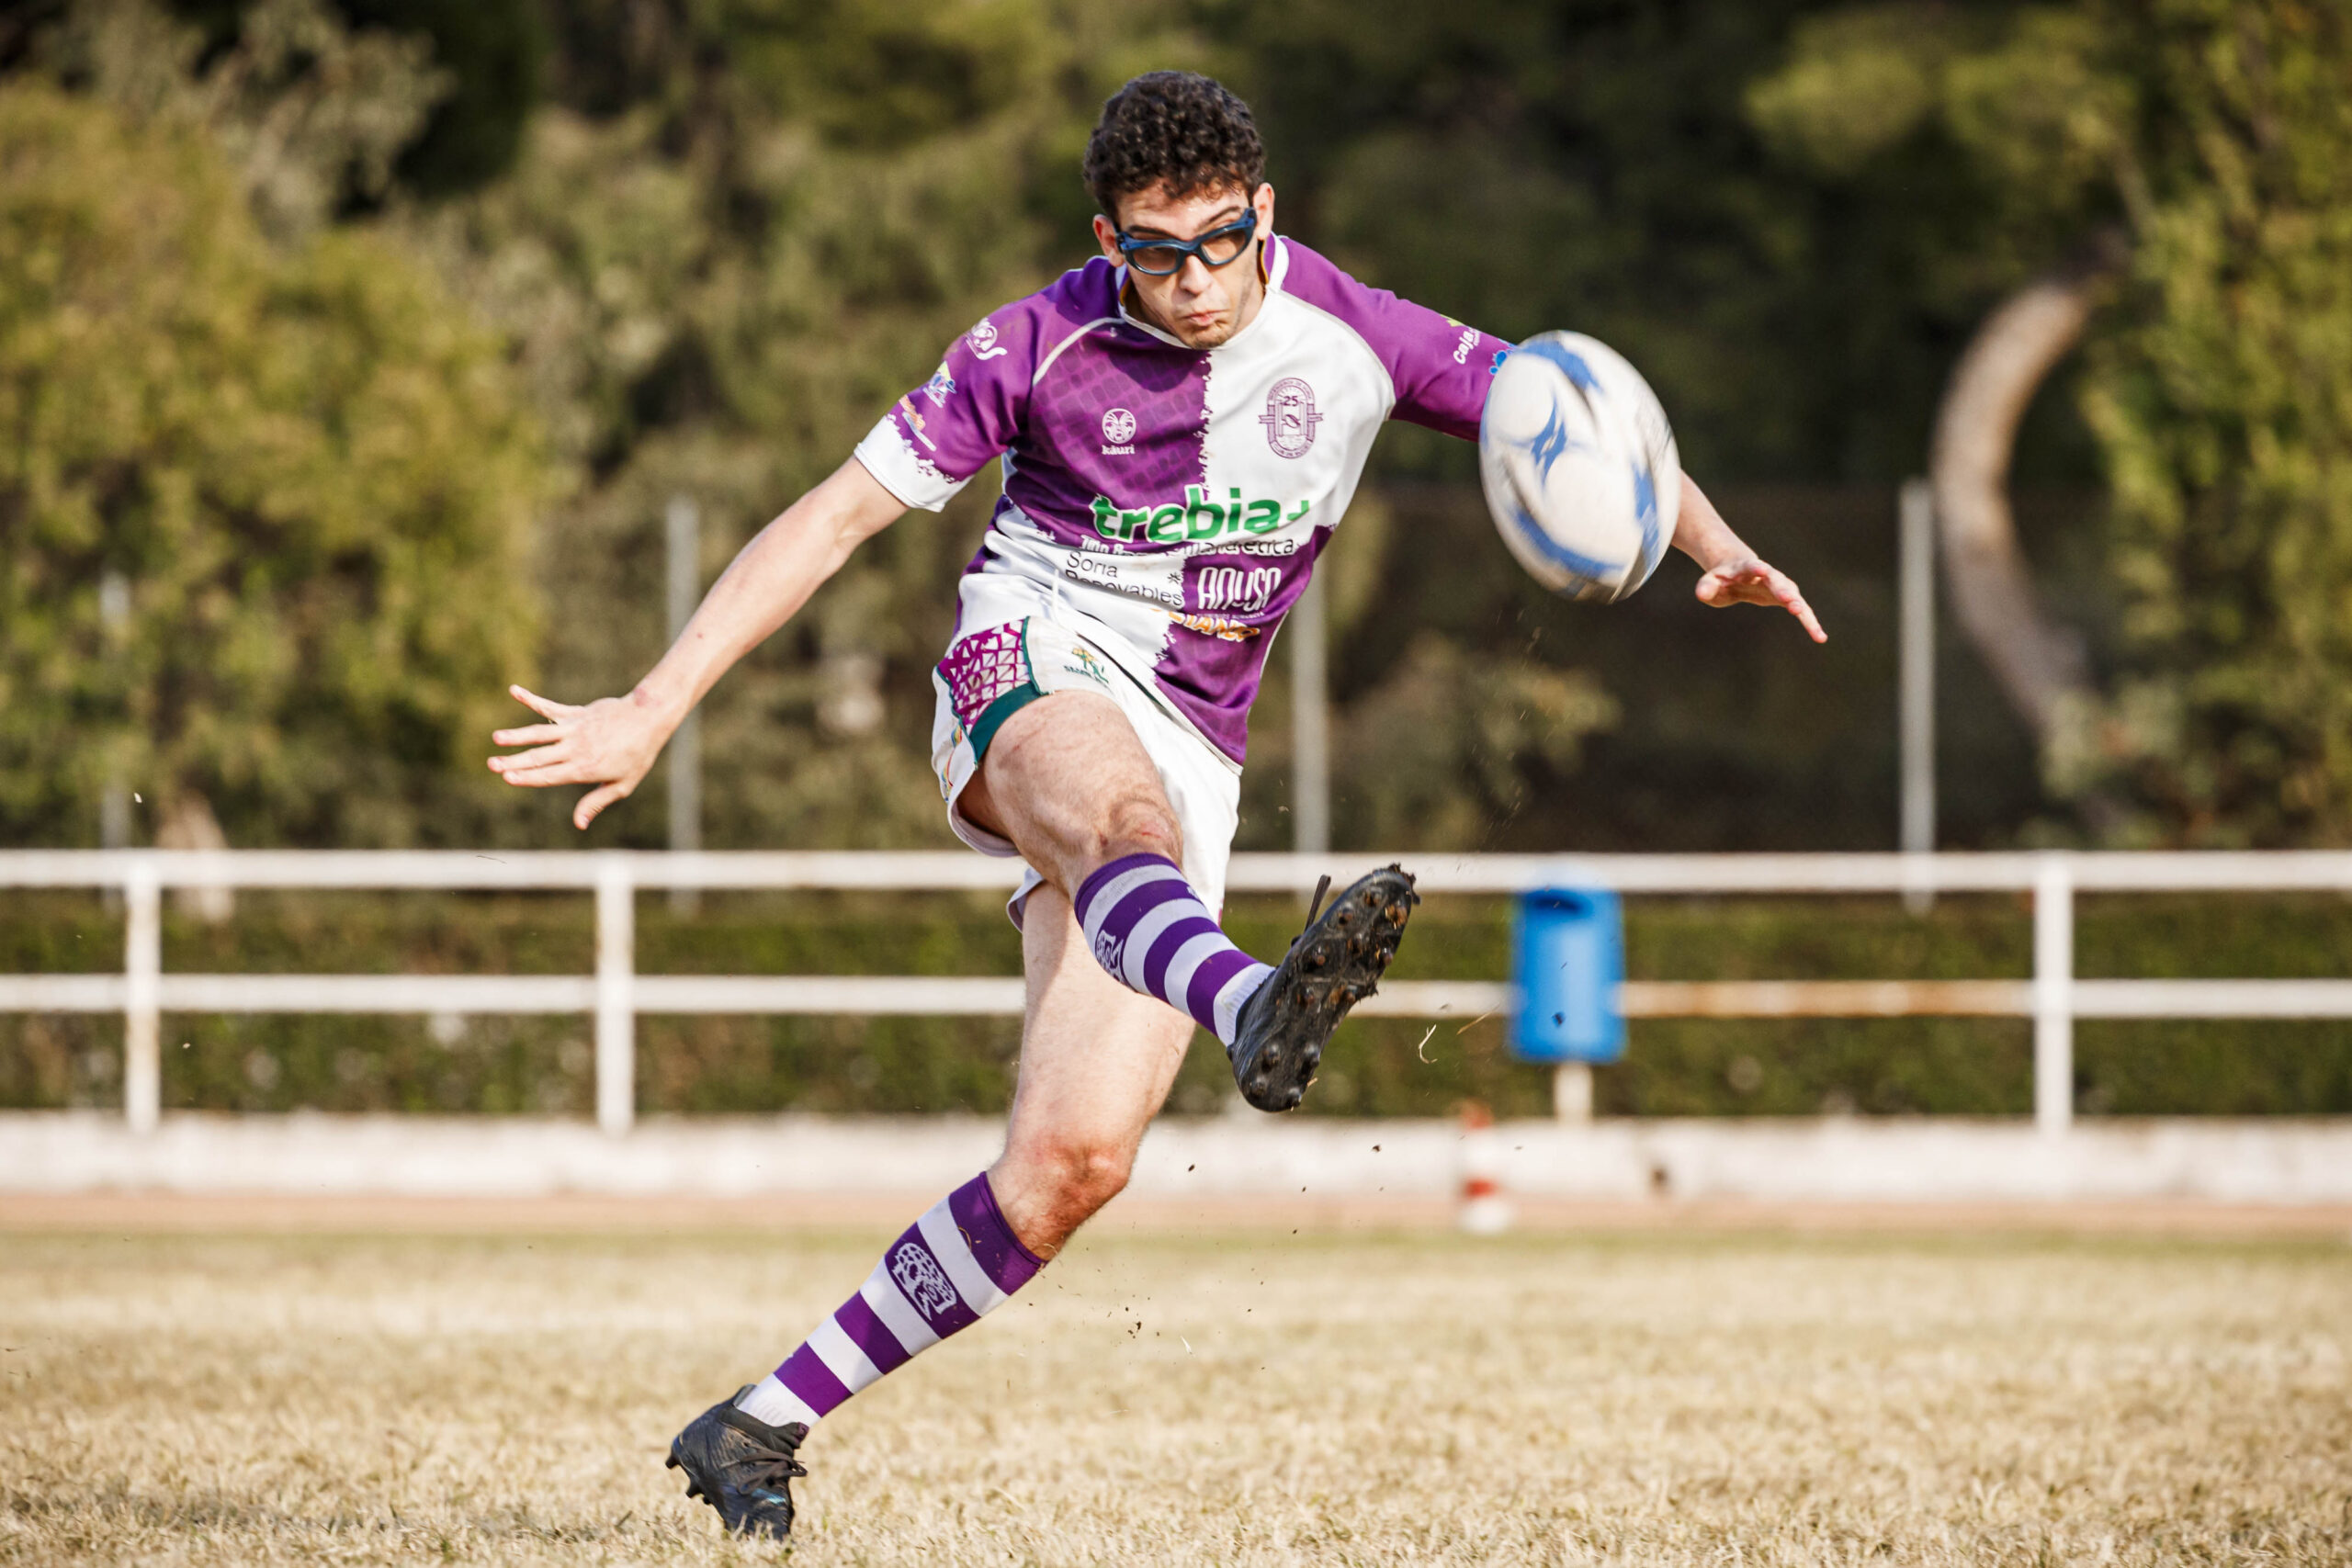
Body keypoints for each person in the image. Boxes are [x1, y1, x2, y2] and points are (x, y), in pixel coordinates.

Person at [486, 71, 1826, 1540]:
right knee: (1129, 831)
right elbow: (829, 520)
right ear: (1106, 236)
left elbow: (1574, 422)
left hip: (1198, 735)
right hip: (1034, 660)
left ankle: (759, 1421)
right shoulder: (1031, 345)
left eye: (1220, 240)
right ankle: (1253, 999)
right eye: (1154, 250)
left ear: (1268, 212)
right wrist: (653, 704)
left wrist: (1716, 544)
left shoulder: (1357, 334)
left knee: (1070, 1169)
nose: (1193, 281)